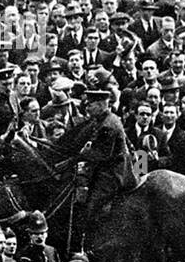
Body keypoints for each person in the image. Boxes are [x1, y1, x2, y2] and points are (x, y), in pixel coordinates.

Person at [56, 88, 136, 253]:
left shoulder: (109, 125)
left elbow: (101, 154)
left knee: (89, 208)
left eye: (90, 104)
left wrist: (75, 159)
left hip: (113, 172)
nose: (87, 107)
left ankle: (91, 248)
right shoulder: (101, 120)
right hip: (103, 168)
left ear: (100, 104)